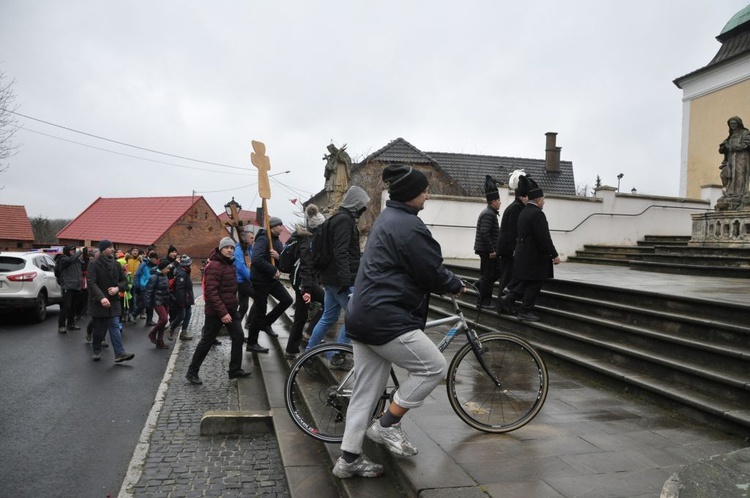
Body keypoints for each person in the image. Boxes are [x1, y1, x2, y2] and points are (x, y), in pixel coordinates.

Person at [332, 165, 464, 479]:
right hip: (386, 319)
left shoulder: (387, 220)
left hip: (362, 316)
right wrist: (453, 283)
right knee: (432, 366)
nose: (428, 196)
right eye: (424, 191)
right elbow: (429, 270)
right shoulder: (409, 227)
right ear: (410, 195)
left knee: (365, 393)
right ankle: (387, 426)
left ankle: (347, 462)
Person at [305, 185, 371, 359]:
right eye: (363, 204)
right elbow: (341, 252)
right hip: (340, 279)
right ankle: (337, 355)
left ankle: (309, 354)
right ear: (356, 203)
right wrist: (346, 280)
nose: (364, 208)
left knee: (329, 316)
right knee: (353, 318)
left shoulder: (337, 218)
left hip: (330, 277)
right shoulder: (345, 220)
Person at [186, 237, 251, 384]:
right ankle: (192, 372)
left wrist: (234, 308)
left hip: (231, 310)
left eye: (232, 248)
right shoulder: (214, 266)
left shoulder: (230, 264)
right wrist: (223, 313)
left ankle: (234, 369)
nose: (229, 250)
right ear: (220, 249)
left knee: (238, 336)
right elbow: (211, 292)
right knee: (207, 342)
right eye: (226, 247)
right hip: (216, 312)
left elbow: (231, 288)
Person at [497, 175, 560, 322]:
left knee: (527, 281)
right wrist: (554, 255)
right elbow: (544, 237)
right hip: (534, 257)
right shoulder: (538, 214)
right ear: (538, 200)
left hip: (524, 255)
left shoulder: (524, 212)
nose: (544, 202)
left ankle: (508, 298)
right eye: (543, 199)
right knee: (535, 283)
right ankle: (525, 310)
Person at [246, 217, 293, 353]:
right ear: (273, 226)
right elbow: (256, 259)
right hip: (260, 280)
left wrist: (278, 257)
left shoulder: (277, 241)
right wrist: (273, 269)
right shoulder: (263, 239)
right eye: (280, 225)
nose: (282, 228)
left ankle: (266, 323)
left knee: (287, 300)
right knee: (260, 311)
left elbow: (284, 261)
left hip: (271, 280)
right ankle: (252, 342)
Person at [286, 204, 326, 359]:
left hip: (300, 282)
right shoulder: (309, 242)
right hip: (304, 283)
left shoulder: (305, 238)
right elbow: (306, 266)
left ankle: (291, 349)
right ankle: (309, 334)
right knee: (328, 304)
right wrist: (307, 289)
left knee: (301, 316)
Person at [87, 240, 135, 363]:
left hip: (113, 302)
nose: (113, 249)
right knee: (99, 329)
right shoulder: (94, 264)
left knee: (114, 326)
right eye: (110, 247)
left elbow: (124, 281)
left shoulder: (116, 264)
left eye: (113, 247)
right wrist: (101, 297)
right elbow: (91, 283)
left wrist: (117, 288)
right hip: (98, 302)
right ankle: (96, 349)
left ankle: (119, 353)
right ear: (103, 250)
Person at [496, 169, 529, 297]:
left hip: (506, 249)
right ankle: (503, 304)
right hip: (508, 250)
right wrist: (514, 249)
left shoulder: (514, 206)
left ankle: (502, 304)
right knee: (506, 277)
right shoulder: (517, 208)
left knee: (506, 277)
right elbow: (512, 231)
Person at [473, 175, 500, 307]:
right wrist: (492, 250)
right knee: (488, 277)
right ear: (493, 201)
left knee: (490, 275)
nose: (500, 203)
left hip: (485, 249)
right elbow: (484, 233)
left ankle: (478, 285)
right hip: (487, 250)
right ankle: (483, 302)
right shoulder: (489, 214)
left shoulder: (490, 212)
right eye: (498, 200)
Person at [144, 259, 172, 349]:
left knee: (162, 322)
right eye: (167, 268)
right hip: (157, 301)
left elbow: (166, 289)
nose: (168, 270)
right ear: (163, 268)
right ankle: (152, 334)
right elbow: (149, 291)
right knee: (164, 319)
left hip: (165, 301)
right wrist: (148, 304)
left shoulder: (165, 276)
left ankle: (160, 342)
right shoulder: (154, 277)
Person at [57, 245, 85, 334]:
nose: (73, 251)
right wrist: (79, 252)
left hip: (76, 287)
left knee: (74, 307)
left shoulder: (76, 260)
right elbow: (70, 260)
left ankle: (70, 324)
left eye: (74, 250)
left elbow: (84, 267)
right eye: (72, 250)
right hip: (67, 287)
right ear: (67, 251)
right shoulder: (63, 259)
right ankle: (61, 325)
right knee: (66, 306)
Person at [719, 116, 750, 198]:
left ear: (738, 124)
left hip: (741, 158)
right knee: (728, 174)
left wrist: (733, 147)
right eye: (731, 123)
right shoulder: (730, 136)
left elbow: (746, 144)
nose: (732, 125)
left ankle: (740, 194)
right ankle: (730, 193)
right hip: (731, 159)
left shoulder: (745, 133)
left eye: (734, 123)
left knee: (740, 174)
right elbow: (721, 148)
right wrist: (724, 147)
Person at [167, 254, 195, 341]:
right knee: (182, 316)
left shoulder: (184, 272)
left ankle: (184, 332)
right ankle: (171, 329)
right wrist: (181, 301)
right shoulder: (182, 274)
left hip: (186, 299)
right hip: (183, 300)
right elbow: (179, 289)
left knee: (188, 315)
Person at [234, 231, 256, 333]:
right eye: (251, 238)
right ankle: (249, 323)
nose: (253, 240)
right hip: (241, 282)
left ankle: (236, 327)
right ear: (245, 239)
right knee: (259, 297)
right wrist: (253, 279)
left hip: (245, 281)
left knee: (243, 307)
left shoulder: (249, 250)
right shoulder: (238, 250)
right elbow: (240, 267)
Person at [131, 251, 159, 324]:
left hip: (152, 287)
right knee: (145, 302)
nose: (157, 261)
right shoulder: (143, 264)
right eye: (156, 259)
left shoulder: (155, 266)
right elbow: (137, 275)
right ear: (152, 259)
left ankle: (149, 320)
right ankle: (133, 314)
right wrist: (137, 286)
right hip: (144, 286)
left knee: (150, 303)